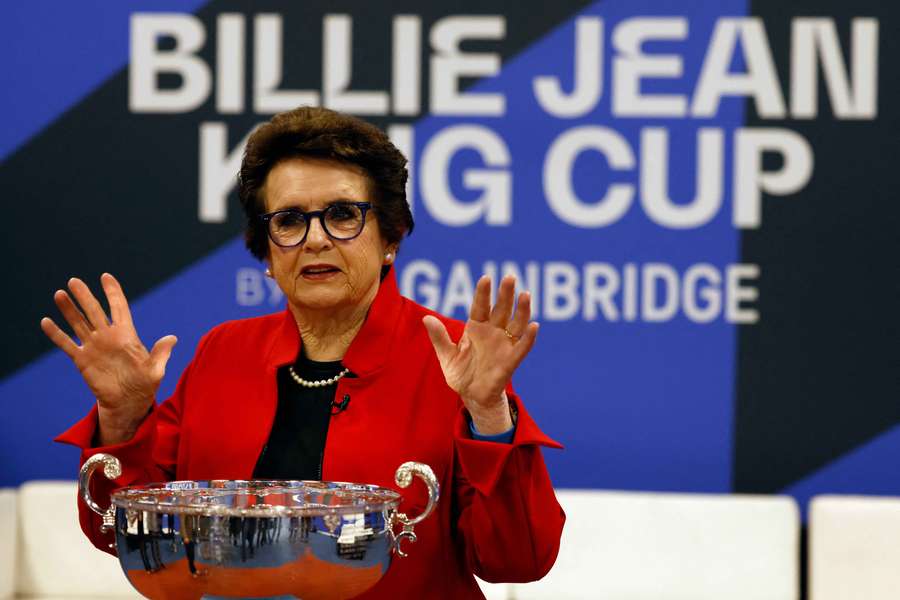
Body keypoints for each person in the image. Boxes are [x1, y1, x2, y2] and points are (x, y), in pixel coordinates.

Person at [45, 106, 564, 598]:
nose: (315, 239)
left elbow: (519, 561)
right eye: (289, 220)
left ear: (391, 238)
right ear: (266, 251)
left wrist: (488, 413)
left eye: (342, 215)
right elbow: (120, 534)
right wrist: (124, 418)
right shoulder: (223, 353)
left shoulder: (452, 357)